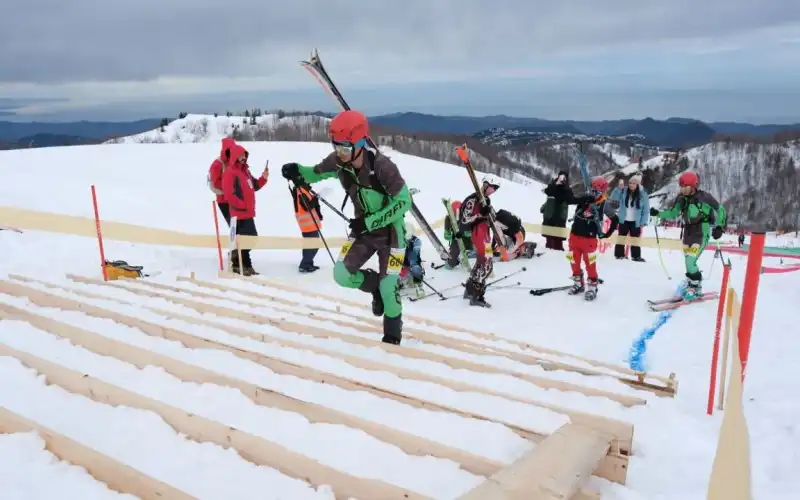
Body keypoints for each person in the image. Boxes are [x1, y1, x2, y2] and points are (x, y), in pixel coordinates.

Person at [280, 110, 411, 345]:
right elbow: (315, 173)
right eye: (336, 146)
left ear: (361, 143)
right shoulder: (338, 162)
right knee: (341, 274)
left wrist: (370, 221)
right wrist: (297, 171)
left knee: (390, 287)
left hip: (392, 233)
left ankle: (392, 336)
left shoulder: (382, 167)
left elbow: (404, 202)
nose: (340, 153)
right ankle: (374, 287)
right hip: (363, 231)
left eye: (345, 148)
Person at [650, 171, 727, 300]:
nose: (683, 190)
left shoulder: (705, 197)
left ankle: (696, 287)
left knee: (690, 260)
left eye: (685, 187)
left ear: (693, 186)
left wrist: (719, 226)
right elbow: (673, 213)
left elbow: (721, 210)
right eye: (681, 187)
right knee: (688, 260)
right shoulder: (682, 199)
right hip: (688, 232)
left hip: (702, 231)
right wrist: (658, 213)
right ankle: (692, 283)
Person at [556, 176, 619, 301]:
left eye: (597, 191)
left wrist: (607, 234)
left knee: (590, 264)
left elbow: (615, 219)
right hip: (574, 236)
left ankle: (592, 286)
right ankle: (578, 283)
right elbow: (570, 200)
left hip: (590, 240)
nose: (594, 193)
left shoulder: (604, 204)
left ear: (603, 191)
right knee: (573, 261)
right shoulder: (584, 198)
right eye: (593, 190)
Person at [221, 144, 269, 276]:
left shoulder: (245, 171)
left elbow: (254, 185)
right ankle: (238, 262)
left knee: (248, 239)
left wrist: (263, 178)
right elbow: (229, 195)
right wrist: (242, 205)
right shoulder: (230, 173)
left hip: (247, 213)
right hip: (239, 214)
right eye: (241, 155)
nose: (243, 158)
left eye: (245, 155)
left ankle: (245, 264)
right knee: (250, 238)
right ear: (235, 156)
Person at [458, 178, 500, 307]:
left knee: (484, 261)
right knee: (486, 263)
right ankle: (477, 295)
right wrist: (480, 215)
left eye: (496, 188)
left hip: (485, 233)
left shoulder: (486, 200)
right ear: (486, 185)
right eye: (493, 187)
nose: (493, 190)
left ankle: (470, 290)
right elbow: (464, 220)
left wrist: (490, 214)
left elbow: (491, 216)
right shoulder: (472, 200)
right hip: (478, 233)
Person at [609, 173, 650, 261]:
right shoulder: (623, 190)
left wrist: (643, 222)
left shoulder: (643, 194)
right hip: (624, 220)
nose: (631, 185)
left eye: (634, 183)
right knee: (621, 237)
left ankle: (636, 256)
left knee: (635, 239)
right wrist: (618, 188)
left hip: (636, 221)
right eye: (630, 182)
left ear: (638, 184)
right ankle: (619, 255)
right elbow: (614, 199)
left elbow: (646, 210)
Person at [291, 182, 323, 273]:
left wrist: (319, 213)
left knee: (311, 245)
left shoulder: (304, 190)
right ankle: (305, 265)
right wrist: (315, 198)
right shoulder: (300, 191)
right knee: (312, 246)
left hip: (311, 224)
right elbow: (307, 206)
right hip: (308, 225)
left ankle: (308, 263)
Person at [208, 137, 237, 226]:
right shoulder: (217, 165)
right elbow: (216, 184)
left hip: (235, 200)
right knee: (234, 228)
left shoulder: (233, 162)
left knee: (240, 228)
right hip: (224, 201)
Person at [541, 171, 570, 250]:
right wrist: (544, 207)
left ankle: (557, 251)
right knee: (550, 239)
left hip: (559, 217)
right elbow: (550, 199)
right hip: (551, 215)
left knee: (558, 239)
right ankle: (551, 251)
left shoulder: (566, 188)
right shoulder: (553, 185)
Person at [444, 199, 473, 268]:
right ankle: (454, 259)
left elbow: (474, 229)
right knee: (449, 265)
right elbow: (447, 233)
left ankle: (471, 253)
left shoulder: (468, 216)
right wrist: (448, 235)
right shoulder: (448, 218)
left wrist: (468, 232)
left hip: (469, 239)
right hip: (456, 239)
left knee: (479, 248)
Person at [398, 234, 425, 298]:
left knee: (415, 266)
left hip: (410, 264)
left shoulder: (416, 242)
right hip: (401, 264)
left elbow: (414, 259)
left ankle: (418, 285)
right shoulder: (395, 240)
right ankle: (397, 282)